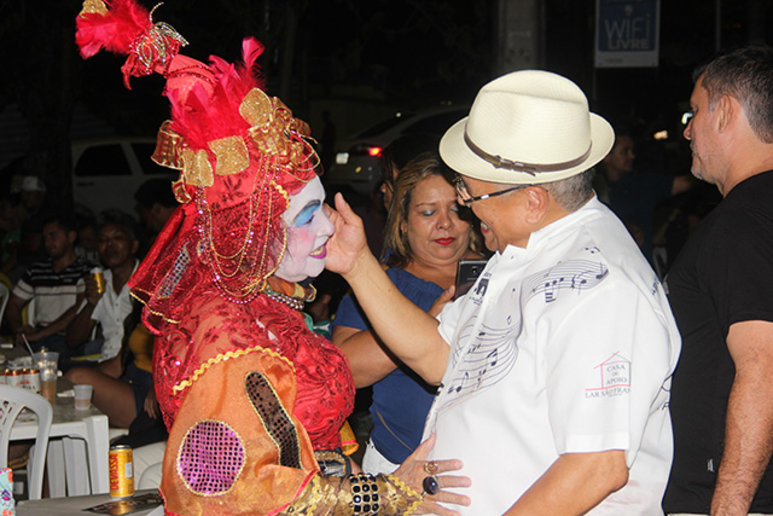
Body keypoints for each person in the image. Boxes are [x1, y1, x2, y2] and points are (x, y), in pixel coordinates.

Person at [76, 1, 469, 514]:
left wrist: (382, 482)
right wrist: (392, 493)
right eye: (307, 216)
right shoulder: (226, 337)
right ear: (250, 233)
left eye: (322, 206)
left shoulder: (266, 304)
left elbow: (307, 446)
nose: (330, 225)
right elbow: (245, 495)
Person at [324, 69, 681, 514]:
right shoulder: (525, 254)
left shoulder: (602, 288)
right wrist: (358, 264)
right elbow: (441, 355)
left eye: (472, 197)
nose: (469, 213)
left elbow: (595, 466)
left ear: (532, 201)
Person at [662, 46, 773, 515]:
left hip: (731, 497)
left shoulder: (740, 223)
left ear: (725, 111)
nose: (687, 129)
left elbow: (763, 365)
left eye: (696, 111)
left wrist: (727, 505)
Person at [333, 153, 482, 475]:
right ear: (402, 221)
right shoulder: (380, 283)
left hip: (489, 466)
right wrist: (423, 324)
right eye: (428, 212)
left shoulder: (503, 270)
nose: (444, 224)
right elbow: (345, 371)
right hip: (398, 465)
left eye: (457, 211)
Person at [4, 212, 92, 353]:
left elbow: (77, 311)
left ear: (71, 237)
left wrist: (38, 335)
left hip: (69, 338)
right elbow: (13, 304)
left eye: (53, 235)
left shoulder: (86, 271)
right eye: (45, 237)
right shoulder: (37, 270)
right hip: (38, 336)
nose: (48, 242)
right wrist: (19, 328)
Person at [65, 211, 140, 364]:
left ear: (134, 245)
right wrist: (91, 303)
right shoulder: (99, 280)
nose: (109, 245)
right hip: (105, 363)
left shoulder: (150, 282)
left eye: (117, 238)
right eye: (103, 240)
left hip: (137, 366)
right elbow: (73, 340)